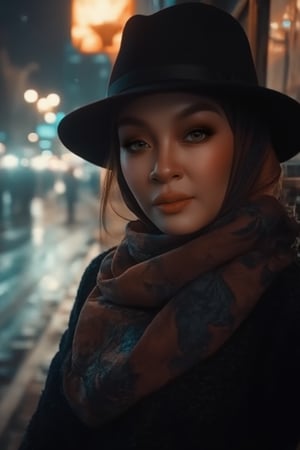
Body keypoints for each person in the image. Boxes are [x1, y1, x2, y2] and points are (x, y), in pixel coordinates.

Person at [19, 3, 300, 450]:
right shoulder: (105, 277)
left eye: (196, 133)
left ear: (245, 142)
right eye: (137, 142)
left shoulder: (284, 301)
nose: (162, 168)